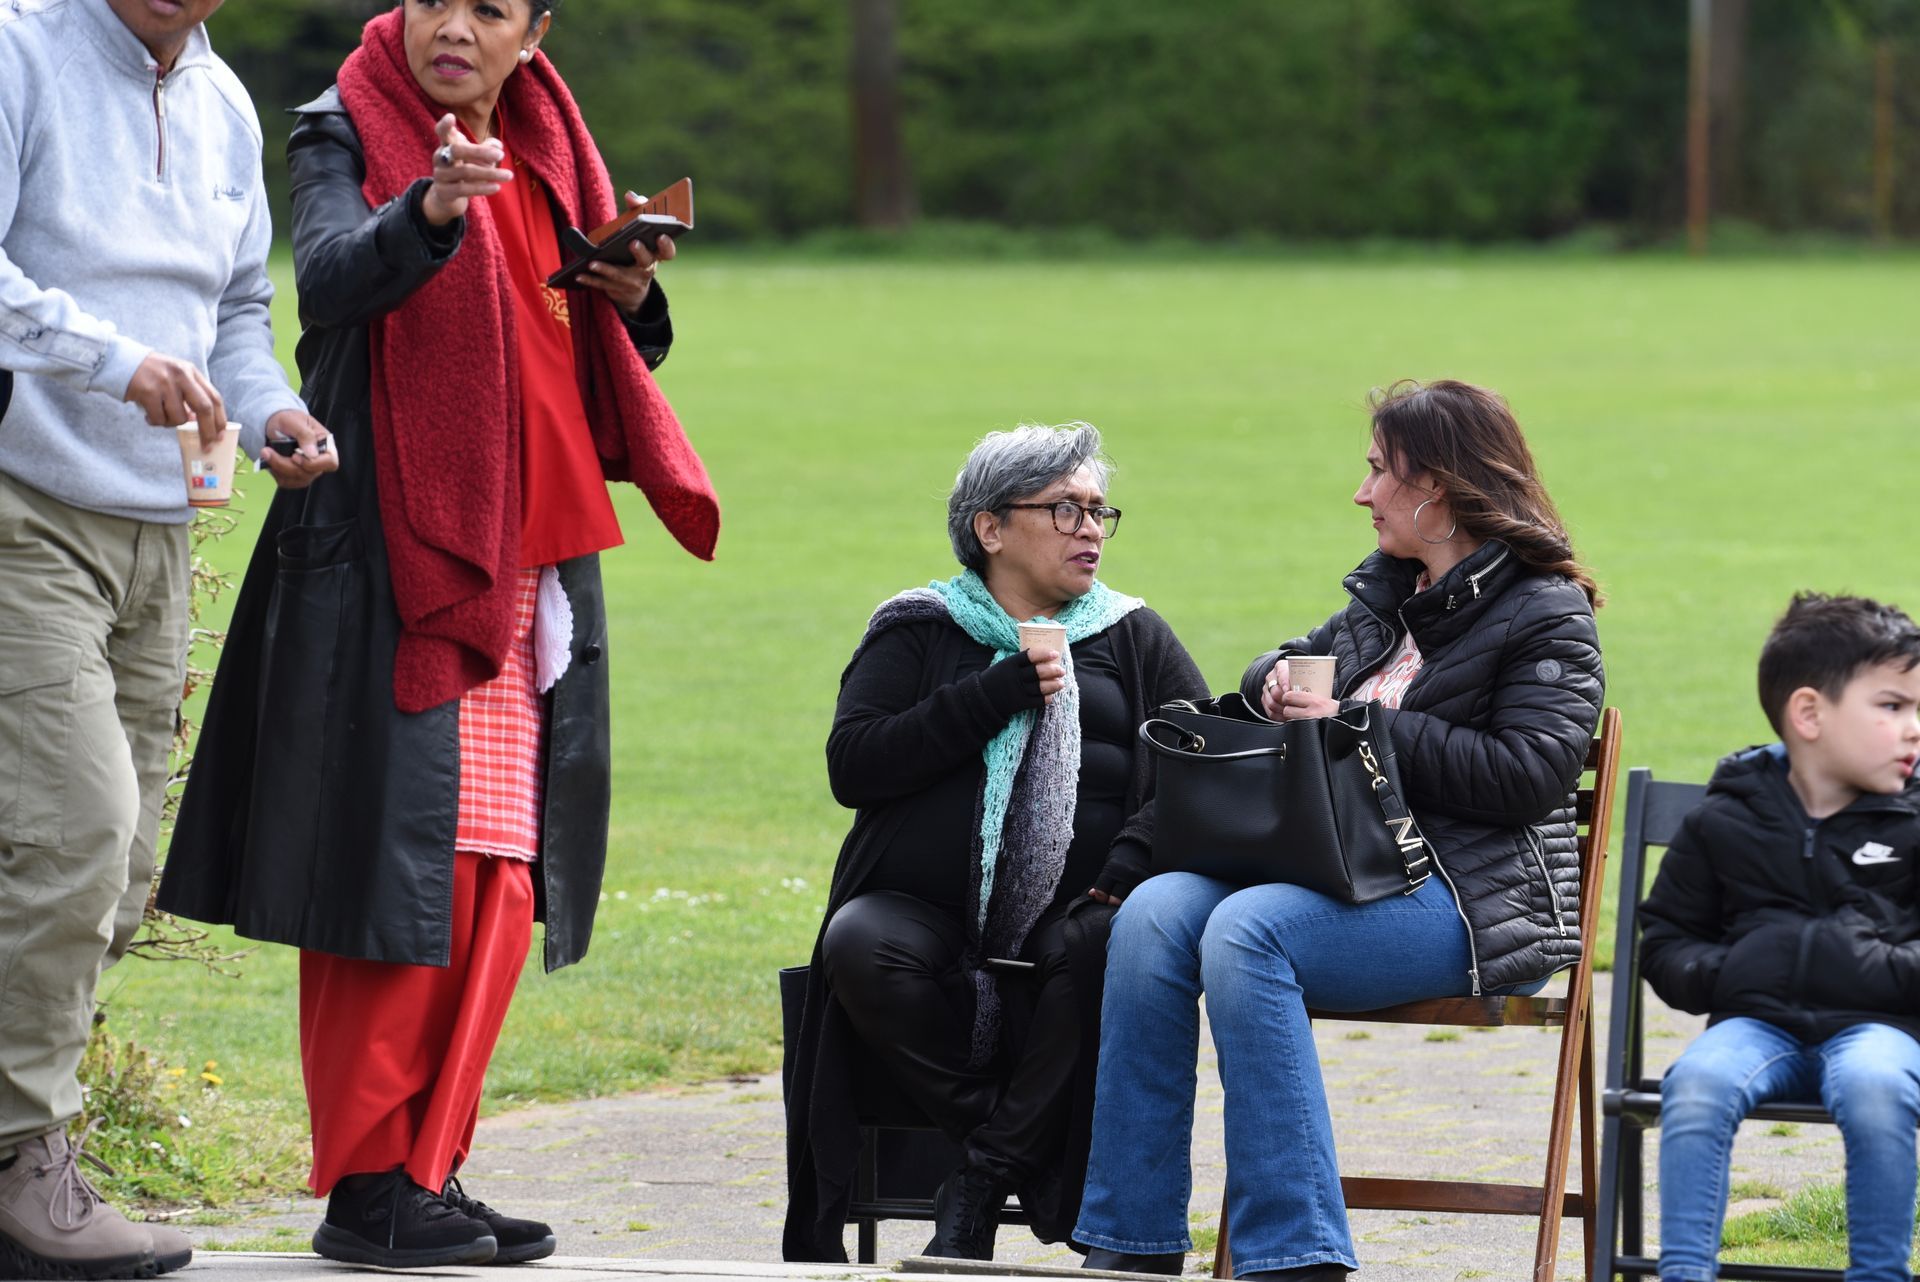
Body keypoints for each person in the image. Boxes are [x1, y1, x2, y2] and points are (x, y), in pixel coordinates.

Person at [155, 0, 719, 1268]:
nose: (453, 27)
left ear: (536, 31)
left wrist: (626, 294)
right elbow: (331, 281)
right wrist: (429, 212)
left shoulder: (547, 143)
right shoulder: (342, 123)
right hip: (389, 556)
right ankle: (366, 1187)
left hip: (528, 557)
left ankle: (430, 1166)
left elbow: (565, 343)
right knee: (388, 877)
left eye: (491, 9)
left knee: (495, 877)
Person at [1071, 380, 1605, 1280]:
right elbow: (1285, 665)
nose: (1362, 494)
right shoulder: (1390, 598)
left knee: (1249, 930)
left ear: (1436, 486)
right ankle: (1133, 1242)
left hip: (1467, 899)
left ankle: (1294, 1256)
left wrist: (1360, 725)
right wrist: (1274, 680)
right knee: (1155, 911)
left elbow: (1526, 777)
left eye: (1377, 472)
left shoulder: (1547, 611)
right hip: (1336, 867)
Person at [0, 0, 336, 1274]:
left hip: (159, 527)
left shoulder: (223, 101)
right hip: (23, 504)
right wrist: (113, 361)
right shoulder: (18, 49)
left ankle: (26, 1150)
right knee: (70, 835)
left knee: (122, 867)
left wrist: (271, 415)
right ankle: (24, 1156)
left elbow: (236, 311)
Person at [782, 424, 1209, 1263]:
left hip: (1082, 906)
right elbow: (854, 766)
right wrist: (991, 696)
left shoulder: (1132, 634)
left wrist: (1128, 867)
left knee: (1096, 948)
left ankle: (979, 1179)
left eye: (1099, 512)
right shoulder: (919, 627)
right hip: (926, 908)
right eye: (1065, 509)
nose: (1091, 530)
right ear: (990, 527)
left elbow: (1199, 767)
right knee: (858, 942)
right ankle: (1015, 1144)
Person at [1639, 594, 1920, 1282]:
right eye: (1892, 707)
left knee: (1877, 1086)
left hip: (1880, 1030)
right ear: (1809, 714)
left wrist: (1871, 965)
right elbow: (1667, 941)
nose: (1914, 728)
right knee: (1697, 1081)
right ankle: (1683, 1274)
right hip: (1758, 1026)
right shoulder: (1728, 816)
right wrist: (1733, 969)